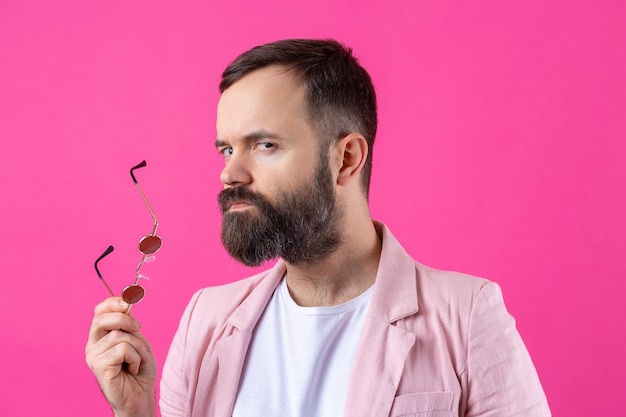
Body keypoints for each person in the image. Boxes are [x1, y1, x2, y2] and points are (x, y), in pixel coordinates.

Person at [86, 39, 551, 417]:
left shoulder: (466, 317)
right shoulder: (206, 320)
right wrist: (135, 413)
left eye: (264, 144)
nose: (230, 174)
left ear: (345, 158)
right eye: (227, 150)